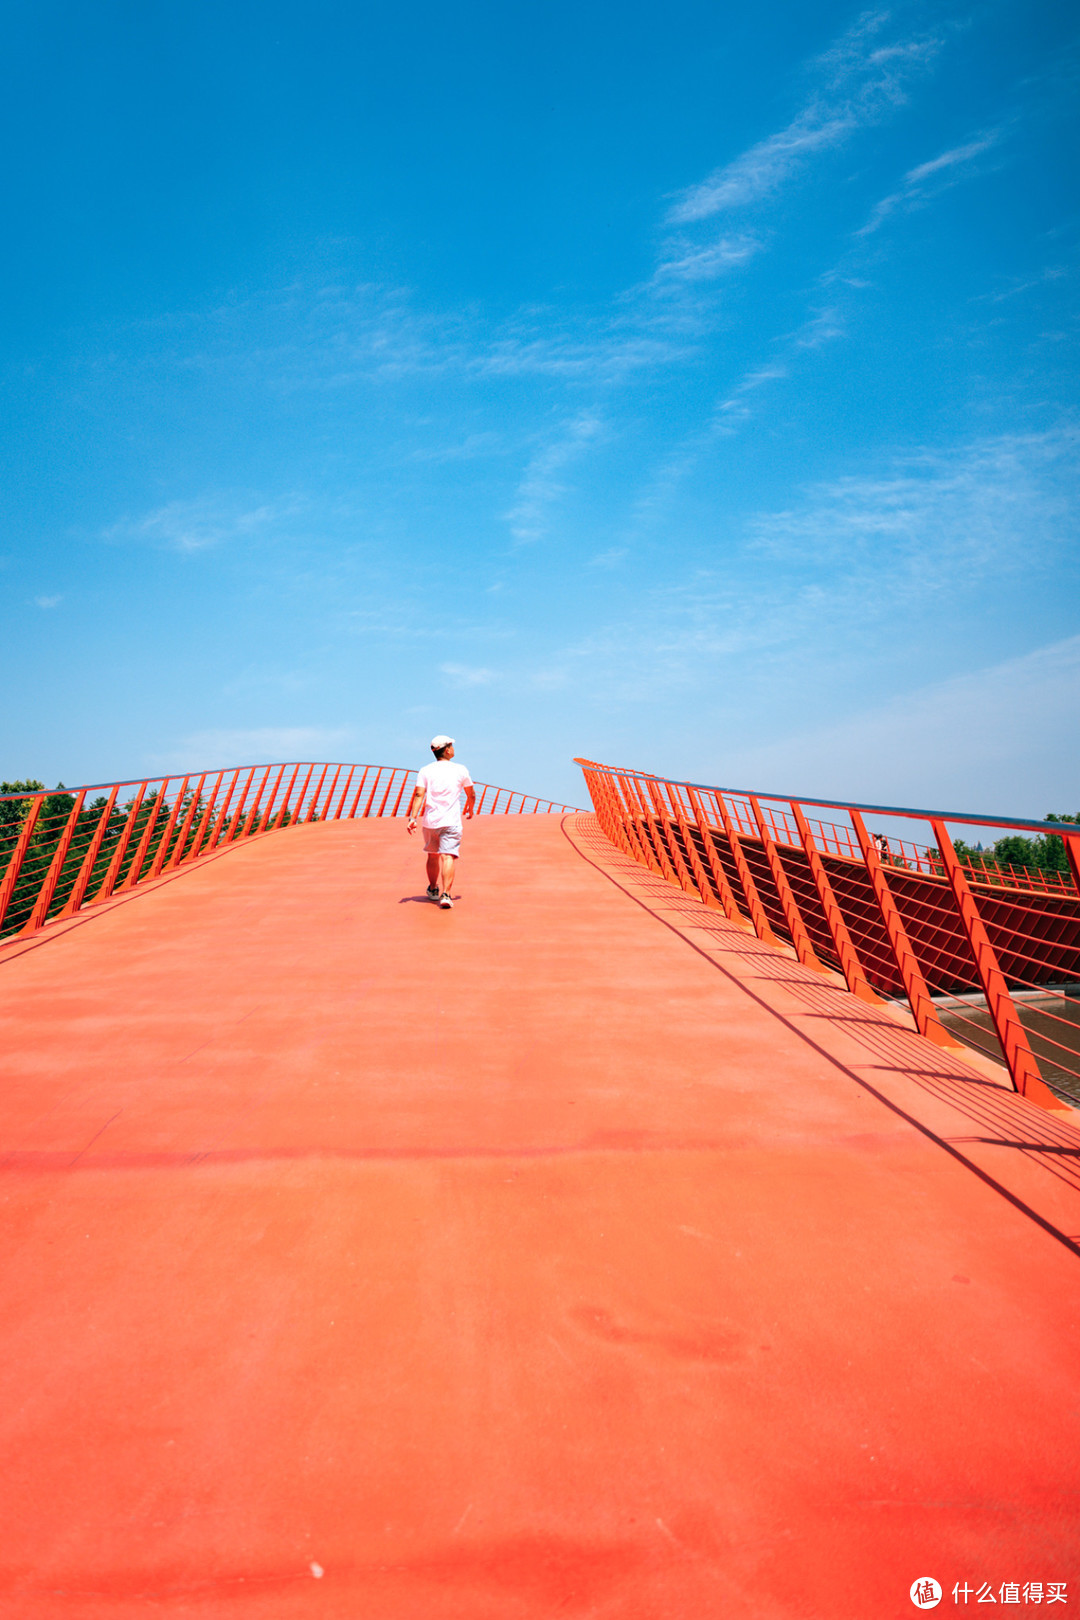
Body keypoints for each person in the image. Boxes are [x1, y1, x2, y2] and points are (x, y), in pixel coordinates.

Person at [406, 735, 476, 909]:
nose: (453, 749)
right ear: (447, 749)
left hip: (431, 821)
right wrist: (470, 807)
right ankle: (446, 894)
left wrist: (413, 818)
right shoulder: (460, 769)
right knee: (448, 856)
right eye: (452, 746)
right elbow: (471, 793)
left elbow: (419, 794)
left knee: (432, 855)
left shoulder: (425, 770)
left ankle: (433, 889)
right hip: (451, 821)